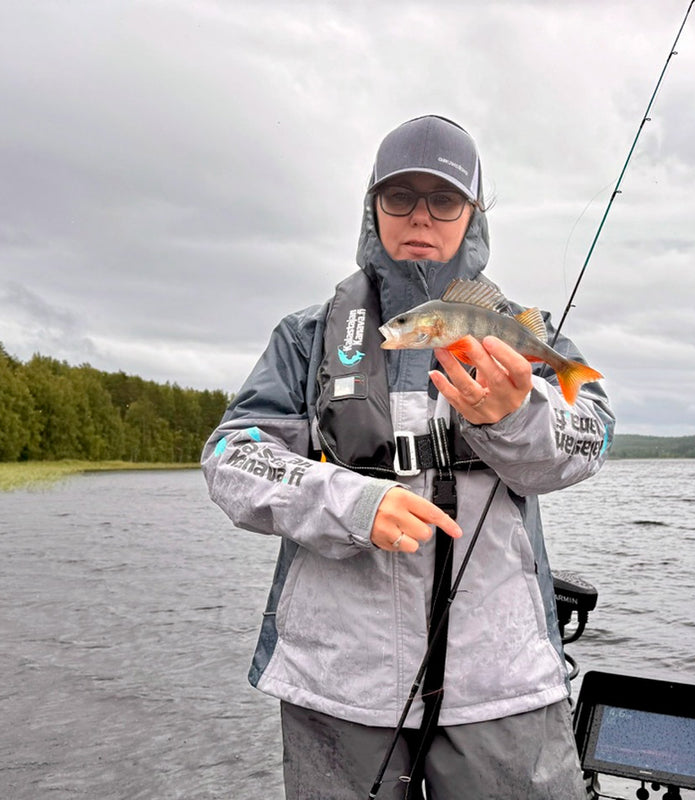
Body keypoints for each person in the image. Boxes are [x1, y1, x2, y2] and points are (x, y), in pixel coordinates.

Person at [202, 115, 615, 800]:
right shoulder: (309, 336)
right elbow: (230, 457)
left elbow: (593, 436)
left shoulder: (518, 335)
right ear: (373, 207)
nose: (420, 216)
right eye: (400, 197)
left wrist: (517, 415)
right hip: (340, 682)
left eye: (443, 200)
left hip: (501, 681)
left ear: (472, 214)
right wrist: (354, 503)